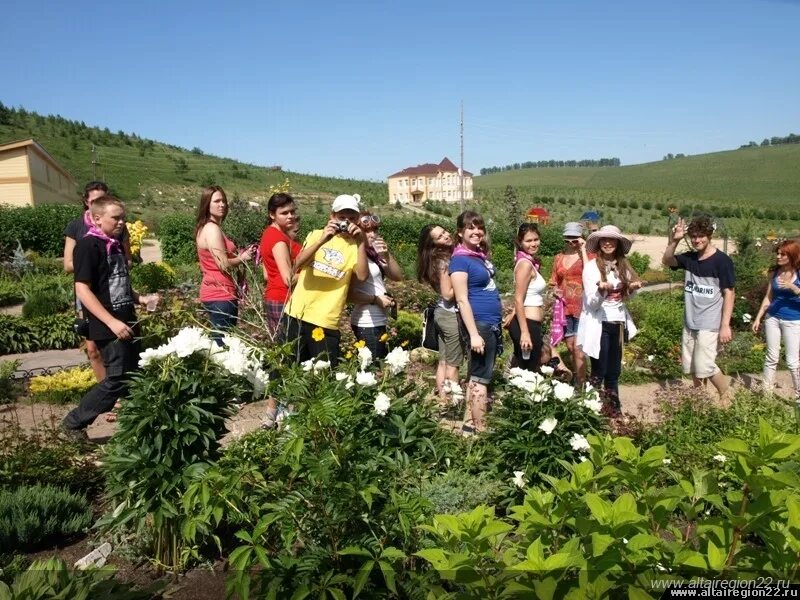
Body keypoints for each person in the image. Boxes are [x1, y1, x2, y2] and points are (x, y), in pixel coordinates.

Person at [62, 196, 157, 438]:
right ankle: (74, 422)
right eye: (115, 217)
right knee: (115, 379)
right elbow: (82, 289)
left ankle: (139, 427)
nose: (122, 222)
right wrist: (112, 322)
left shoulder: (114, 244)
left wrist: (140, 299)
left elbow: (117, 283)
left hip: (127, 319)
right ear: (96, 218)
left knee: (135, 374)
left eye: (123, 217)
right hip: (108, 325)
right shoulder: (87, 246)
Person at [282, 194, 368, 367]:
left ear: (358, 220)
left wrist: (361, 242)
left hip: (326, 319)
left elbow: (362, 276)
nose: (346, 223)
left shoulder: (355, 246)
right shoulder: (316, 235)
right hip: (297, 314)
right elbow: (298, 263)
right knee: (287, 370)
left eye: (351, 218)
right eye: (342, 217)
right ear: (332, 216)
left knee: (324, 377)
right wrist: (323, 240)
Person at [663, 216, 735, 405]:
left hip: (709, 323)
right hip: (690, 322)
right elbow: (667, 260)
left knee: (706, 365)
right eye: (693, 236)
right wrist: (675, 240)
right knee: (693, 367)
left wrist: (725, 325)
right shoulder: (689, 258)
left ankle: (726, 395)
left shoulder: (722, 261)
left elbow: (729, 293)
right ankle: (700, 403)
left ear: (709, 235)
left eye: (701, 236)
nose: (697, 240)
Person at [64, 181, 132, 383]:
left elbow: (127, 259)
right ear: (87, 203)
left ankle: (115, 395)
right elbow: (68, 264)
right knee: (93, 348)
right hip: (89, 289)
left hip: (114, 289)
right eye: (94, 200)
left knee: (118, 346)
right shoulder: (77, 227)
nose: (97, 203)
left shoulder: (117, 227)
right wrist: (97, 262)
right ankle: (106, 392)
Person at [577, 225, 642, 417]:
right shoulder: (591, 268)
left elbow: (625, 299)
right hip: (600, 324)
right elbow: (591, 304)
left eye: (611, 240)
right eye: (604, 240)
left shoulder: (623, 266)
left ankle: (614, 412)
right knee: (599, 371)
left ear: (618, 244)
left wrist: (632, 289)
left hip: (618, 323)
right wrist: (601, 290)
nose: (607, 243)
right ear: (598, 243)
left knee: (613, 372)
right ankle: (591, 412)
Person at [450, 211, 502, 433]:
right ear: (460, 232)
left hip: (488, 324)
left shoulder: (477, 257)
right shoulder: (460, 260)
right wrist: (473, 334)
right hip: (479, 325)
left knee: (475, 375)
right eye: (470, 227)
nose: (476, 231)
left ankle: (469, 426)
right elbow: (461, 299)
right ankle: (482, 430)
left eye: (479, 227)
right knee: (481, 378)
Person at [195, 185, 254, 342]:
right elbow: (223, 264)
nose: (222, 205)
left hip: (216, 291)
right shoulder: (212, 229)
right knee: (223, 346)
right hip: (220, 294)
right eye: (217, 201)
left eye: (224, 201)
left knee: (220, 342)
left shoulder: (206, 228)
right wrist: (244, 257)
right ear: (207, 204)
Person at [417, 224, 464, 403]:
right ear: (433, 244)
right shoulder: (444, 261)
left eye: (443, 231)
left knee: (444, 361)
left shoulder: (437, 259)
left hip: (442, 313)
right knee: (453, 364)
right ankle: (453, 403)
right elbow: (447, 293)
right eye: (439, 237)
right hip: (450, 315)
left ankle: (443, 398)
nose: (445, 236)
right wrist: (464, 286)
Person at [348, 212, 403, 358]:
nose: (372, 234)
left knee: (374, 365)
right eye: (367, 231)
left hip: (376, 318)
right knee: (373, 369)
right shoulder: (355, 256)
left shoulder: (373, 255)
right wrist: (375, 299)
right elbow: (349, 295)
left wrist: (386, 255)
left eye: (375, 230)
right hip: (366, 320)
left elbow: (397, 276)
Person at [752, 240, 800, 400]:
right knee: (771, 357)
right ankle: (767, 396)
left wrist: (793, 288)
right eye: (777, 253)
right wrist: (758, 318)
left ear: (792, 255)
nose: (778, 256)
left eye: (782, 254)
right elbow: (768, 297)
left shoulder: (798, 274)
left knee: (792, 362)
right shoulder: (775, 272)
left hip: (793, 321)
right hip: (772, 318)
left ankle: (799, 397)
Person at [548, 222, 591, 386]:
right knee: (571, 346)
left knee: (578, 348)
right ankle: (577, 380)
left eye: (575, 239)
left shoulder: (587, 256)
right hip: (564, 309)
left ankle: (581, 384)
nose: (571, 243)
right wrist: (554, 290)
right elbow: (553, 281)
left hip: (582, 307)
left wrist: (584, 249)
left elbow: (591, 274)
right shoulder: (558, 257)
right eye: (568, 239)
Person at [259, 192, 301, 334]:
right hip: (283, 299)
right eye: (284, 213)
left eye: (292, 211)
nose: (290, 216)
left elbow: (266, 275)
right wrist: (308, 272)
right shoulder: (278, 239)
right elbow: (288, 279)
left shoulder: (269, 233)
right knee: (289, 349)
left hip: (274, 297)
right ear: (272, 215)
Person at [508, 223, 546, 372]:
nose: (533, 244)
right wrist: (525, 332)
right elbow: (518, 298)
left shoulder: (529, 262)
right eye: (528, 241)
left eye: (536, 239)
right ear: (520, 242)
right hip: (527, 324)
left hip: (531, 324)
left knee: (528, 368)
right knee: (528, 371)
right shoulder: (525, 265)